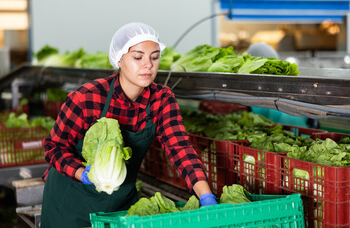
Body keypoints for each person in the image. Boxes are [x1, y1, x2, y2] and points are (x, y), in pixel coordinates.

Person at [40, 22, 217, 228]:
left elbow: (180, 149)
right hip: (71, 201)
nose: (148, 65)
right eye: (138, 57)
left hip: (121, 202)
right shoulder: (87, 97)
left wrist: (206, 196)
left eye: (155, 57)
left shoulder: (162, 99)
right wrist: (83, 173)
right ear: (119, 59)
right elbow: (54, 147)